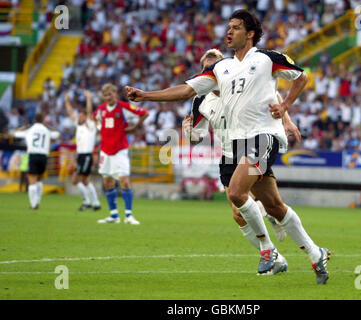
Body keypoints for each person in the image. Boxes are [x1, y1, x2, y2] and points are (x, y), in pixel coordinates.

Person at [125, 10, 330, 283]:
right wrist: (146, 96)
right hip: (234, 146)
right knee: (274, 207)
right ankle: (317, 255)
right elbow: (186, 91)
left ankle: (268, 250)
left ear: (250, 33)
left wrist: (284, 107)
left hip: (262, 137)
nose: (229, 32)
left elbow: (301, 78)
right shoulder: (221, 69)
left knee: (235, 193)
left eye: (235, 27)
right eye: (228, 27)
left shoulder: (268, 58)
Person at [183, 48, 304, 264]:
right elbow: (195, 138)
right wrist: (188, 132)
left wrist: (287, 120)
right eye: (205, 69)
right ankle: (275, 257)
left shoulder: (243, 85)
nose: (209, 72)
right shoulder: (201, 100)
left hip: (252, 146)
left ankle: (271, 229)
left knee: (248, 199)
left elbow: (273, 95)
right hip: (229, 154)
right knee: (238, 214)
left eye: (212, 67)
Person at [94, 83, 148, 225]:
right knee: (107, 182)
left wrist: (134, 127)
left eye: (110, 94)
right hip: (105, 150)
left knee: (124, 181)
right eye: (106, 95)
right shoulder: (100, 110)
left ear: (115, 94)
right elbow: (97, 123)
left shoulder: (123, 107)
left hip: (120, 150)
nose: (108, 97)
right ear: (103, 97)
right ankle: (113, 215)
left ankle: (129, 215)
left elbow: (144, 113)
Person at [14, 113, 60, 210]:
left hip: (33, 155)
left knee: (32, 181)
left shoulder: (30, 130)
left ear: (34, 119)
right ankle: (38, 201)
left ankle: (34, 204)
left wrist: (24, 127)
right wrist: (48, 126)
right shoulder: (46, 130)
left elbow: (16, 134)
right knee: (39, 180)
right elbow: (57, 134)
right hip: (43, 156)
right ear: (43, 120)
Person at [65, 90, 101, 211]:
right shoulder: (79, 125)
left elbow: (89, 110)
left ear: (86, 117)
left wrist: (88, 97)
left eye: (81, 115)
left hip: (87, 155)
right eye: (79, 115)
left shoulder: (90, 124)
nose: (79, 117)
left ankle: (90, 202)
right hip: (80, 155)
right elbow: (70, 113)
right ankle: (93, 203)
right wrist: (66, 101)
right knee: (82, 181)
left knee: (78, 179)